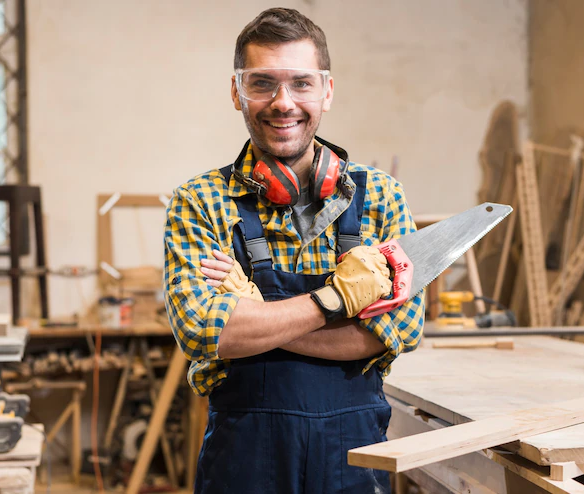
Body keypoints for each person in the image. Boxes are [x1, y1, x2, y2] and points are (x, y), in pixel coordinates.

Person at [164, 7, 424, 493]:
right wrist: (335, 302)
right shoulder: (199, 201)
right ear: (236, 91)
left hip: (354, 458)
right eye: (262, 83)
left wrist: (255, 317)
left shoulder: (382, 196)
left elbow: (397, 331)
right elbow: (203, 332)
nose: (283, 102)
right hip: (245, 459)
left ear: (327, 90)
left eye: (301, 83)